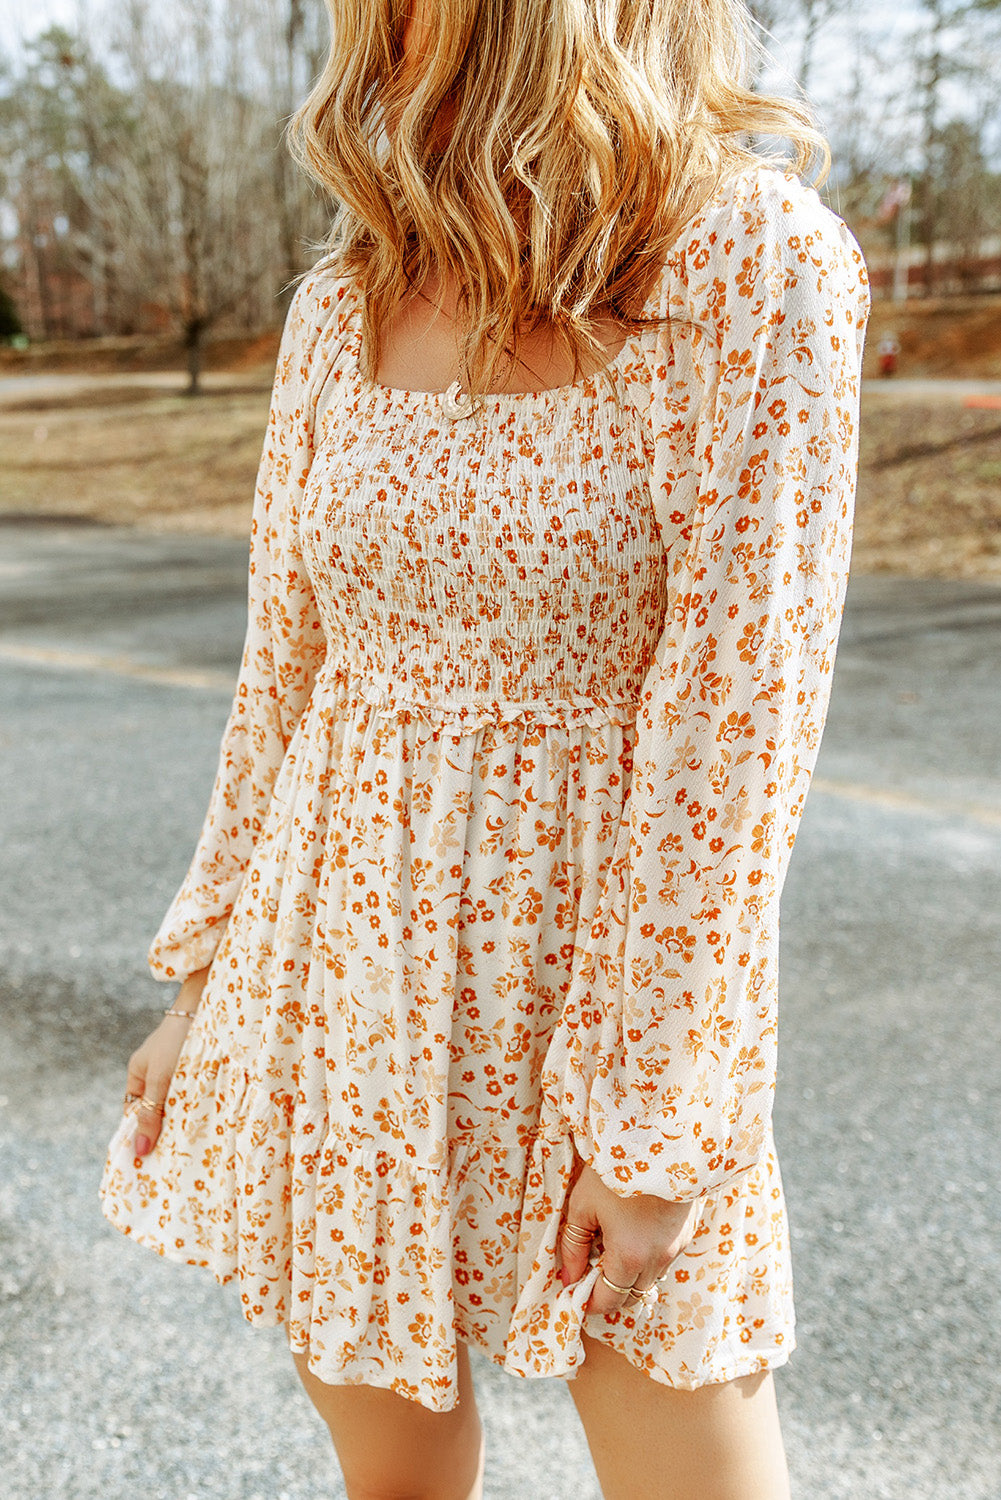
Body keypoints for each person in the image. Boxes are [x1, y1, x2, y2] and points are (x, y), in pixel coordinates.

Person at [100, 0, 870, 1495]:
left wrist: (651, 1129)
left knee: (694, 1467)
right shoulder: (348, 297)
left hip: (603, 977)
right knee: (391, 1469)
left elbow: (737, 733)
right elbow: (285, 673)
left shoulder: (752, 266)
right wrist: (206, 977)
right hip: (343, 966)